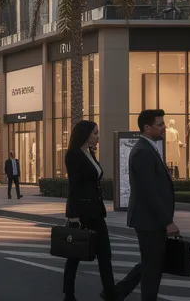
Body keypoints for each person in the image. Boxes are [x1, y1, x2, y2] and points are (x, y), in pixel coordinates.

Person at [113, 109, 179, 301]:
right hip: (148, 219)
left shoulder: (149, 148)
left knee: (151, 262)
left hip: (150, 218)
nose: (164, 127)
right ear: (147, 127)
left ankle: (116, 293)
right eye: (160, 124)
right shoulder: (143, 151)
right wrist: (167, 221)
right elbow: (149, 191)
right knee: (152, 267)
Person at [61, 120, 115, 301]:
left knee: (105, 255)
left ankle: (110, 293)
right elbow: (74, 186)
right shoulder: (73, 155)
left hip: (97, 212)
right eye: (95, 133)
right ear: (85, 135)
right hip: (82, 213)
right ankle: (69, 295)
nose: (98, 137)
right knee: (74, 255)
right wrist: (73, 215)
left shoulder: (90, 153)